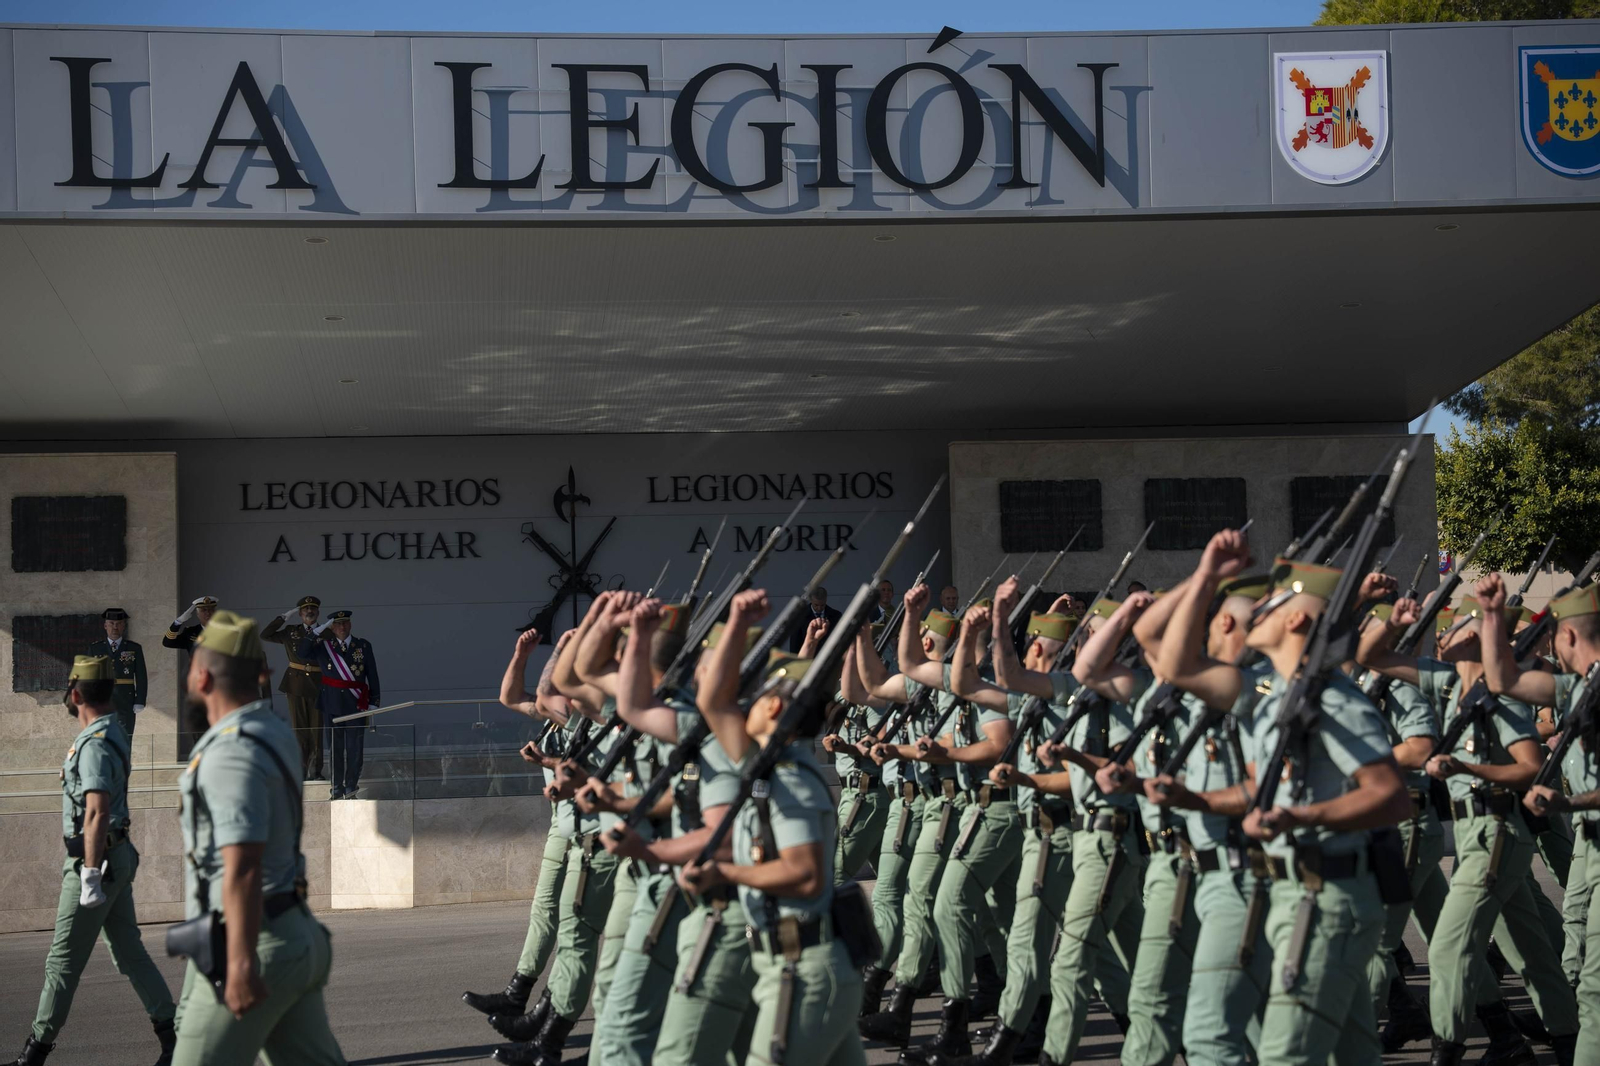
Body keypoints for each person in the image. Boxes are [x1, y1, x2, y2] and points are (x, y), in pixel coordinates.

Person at [1158, 531, 1411, 1066]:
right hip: (1290, 893)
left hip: (1328, 899)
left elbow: (1390, 796)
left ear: (1296, 620)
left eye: (1271, 603)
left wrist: (1299, 816)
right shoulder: (1269, 693)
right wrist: (1206, 576)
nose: (1257, 612)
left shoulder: (1333, 700)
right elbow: (1176, 665)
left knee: (1284, 1057)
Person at [683, 587, 867, 1066]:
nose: (750, 704)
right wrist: (739, 624)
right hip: (786, 964)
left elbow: (805, 873)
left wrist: (728, 874)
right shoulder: (765, 764)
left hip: (805, 971)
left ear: (778, 710)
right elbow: (712, 701)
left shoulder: (791, 780)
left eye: (762, 696)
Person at [1354, 597, 1543, 1061]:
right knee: (1456, 941)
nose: (1440, 637)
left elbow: (1420, 749)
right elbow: (1368, 654)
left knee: (1378, 942)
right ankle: (1505, 1035)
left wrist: (1362, 763)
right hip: (1430, 825)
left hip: (1428, 825)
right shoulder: (1430, 680)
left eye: (1452, 629)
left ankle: (1354, 1042)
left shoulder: (1454, 687)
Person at [169, 611, 345, 1065]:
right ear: (263, 674)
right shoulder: (273, 732)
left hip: (254, 943)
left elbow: (243, 864)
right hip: (293, 934)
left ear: (202, 675)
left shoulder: (230, 749)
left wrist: (240, 962)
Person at [11, 655, 176, 1066]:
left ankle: (35, 1053)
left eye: (69, 689)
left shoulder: (95, 742)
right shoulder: (112, 732)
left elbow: (97, 810)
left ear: (78, 692)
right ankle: (176, 1042)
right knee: (129, 953)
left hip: (96, 860)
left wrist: (88, 873)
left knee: (62, 962)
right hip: (115, 856)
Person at [1482, 574, 1600, 1066]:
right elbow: (1502, 680)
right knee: (1587, 971)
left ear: (1567, 636)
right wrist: (1492, 619)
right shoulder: (1579, 687)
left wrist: (1564, 805)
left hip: (1585, 822)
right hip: (1593, 839)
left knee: (1595, 990)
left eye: (1553, 637)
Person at [461, 628, 571, 1023]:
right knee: (544, 910)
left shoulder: (584, 714)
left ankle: (553, 1009)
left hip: (590, 827)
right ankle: (519, 993)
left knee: (578, 927)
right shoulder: (557, 714)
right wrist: (521, 653)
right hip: (563, 823)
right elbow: (508, 697)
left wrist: (550, 765)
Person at [297, 611, 380, 800]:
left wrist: (374, 702)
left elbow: (372, 675)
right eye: (338, 624)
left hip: (356, 704)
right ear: (331, 627)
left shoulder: (363, 646)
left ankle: (351, 788)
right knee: (335, 748)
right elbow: (301, 652)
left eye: (345, 623)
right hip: (332, 704)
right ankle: (336, 789)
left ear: (350, 625)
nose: (342, 627)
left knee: (355, 749)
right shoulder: (323, 646)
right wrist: (317, 631)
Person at [261, 595, 325, 778]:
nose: (309, 612)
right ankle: (301, 770)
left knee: (317, 731)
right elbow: (265, 635)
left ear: (318, 612)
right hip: (295, 685)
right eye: (305, 610)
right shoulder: (290, 631)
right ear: (300, 614)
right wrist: (283, 617)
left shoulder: (325, 632)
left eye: (312, 609)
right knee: (299, 730)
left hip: (319, 685)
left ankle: (316, 771)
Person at [86, 607, 147, 739]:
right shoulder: (95, 648)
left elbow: (141, 676)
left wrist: (140, 700)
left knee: (125, 736)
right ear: (105, 626)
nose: (115, 627)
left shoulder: (134, 648)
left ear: (124, 626)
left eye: (119, 624)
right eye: (112, 624)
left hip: (126, 699)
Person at [789, 586, 842, 653]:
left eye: (822, 605)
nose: (819, 608)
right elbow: (795, 643)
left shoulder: (836, 616)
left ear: (826, 600)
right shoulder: (799, 616)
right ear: (811, 600)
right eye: (816, 605)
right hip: (807, 658)